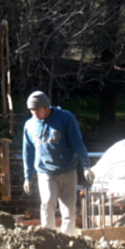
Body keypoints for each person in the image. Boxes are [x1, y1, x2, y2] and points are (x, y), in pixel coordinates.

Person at [22, 90, 94, 236]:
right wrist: (28, 177)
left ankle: (68, 239)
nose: (34, 112)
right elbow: (27, 152)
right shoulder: (30, 125)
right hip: (45, 172)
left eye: (37, 109)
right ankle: (49, 238)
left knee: (68, 209)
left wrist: (86, 166)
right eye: (31, 110)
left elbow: (77, 143)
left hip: (67, 170)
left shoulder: (66, 118)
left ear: (46, 107)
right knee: (47, 202)